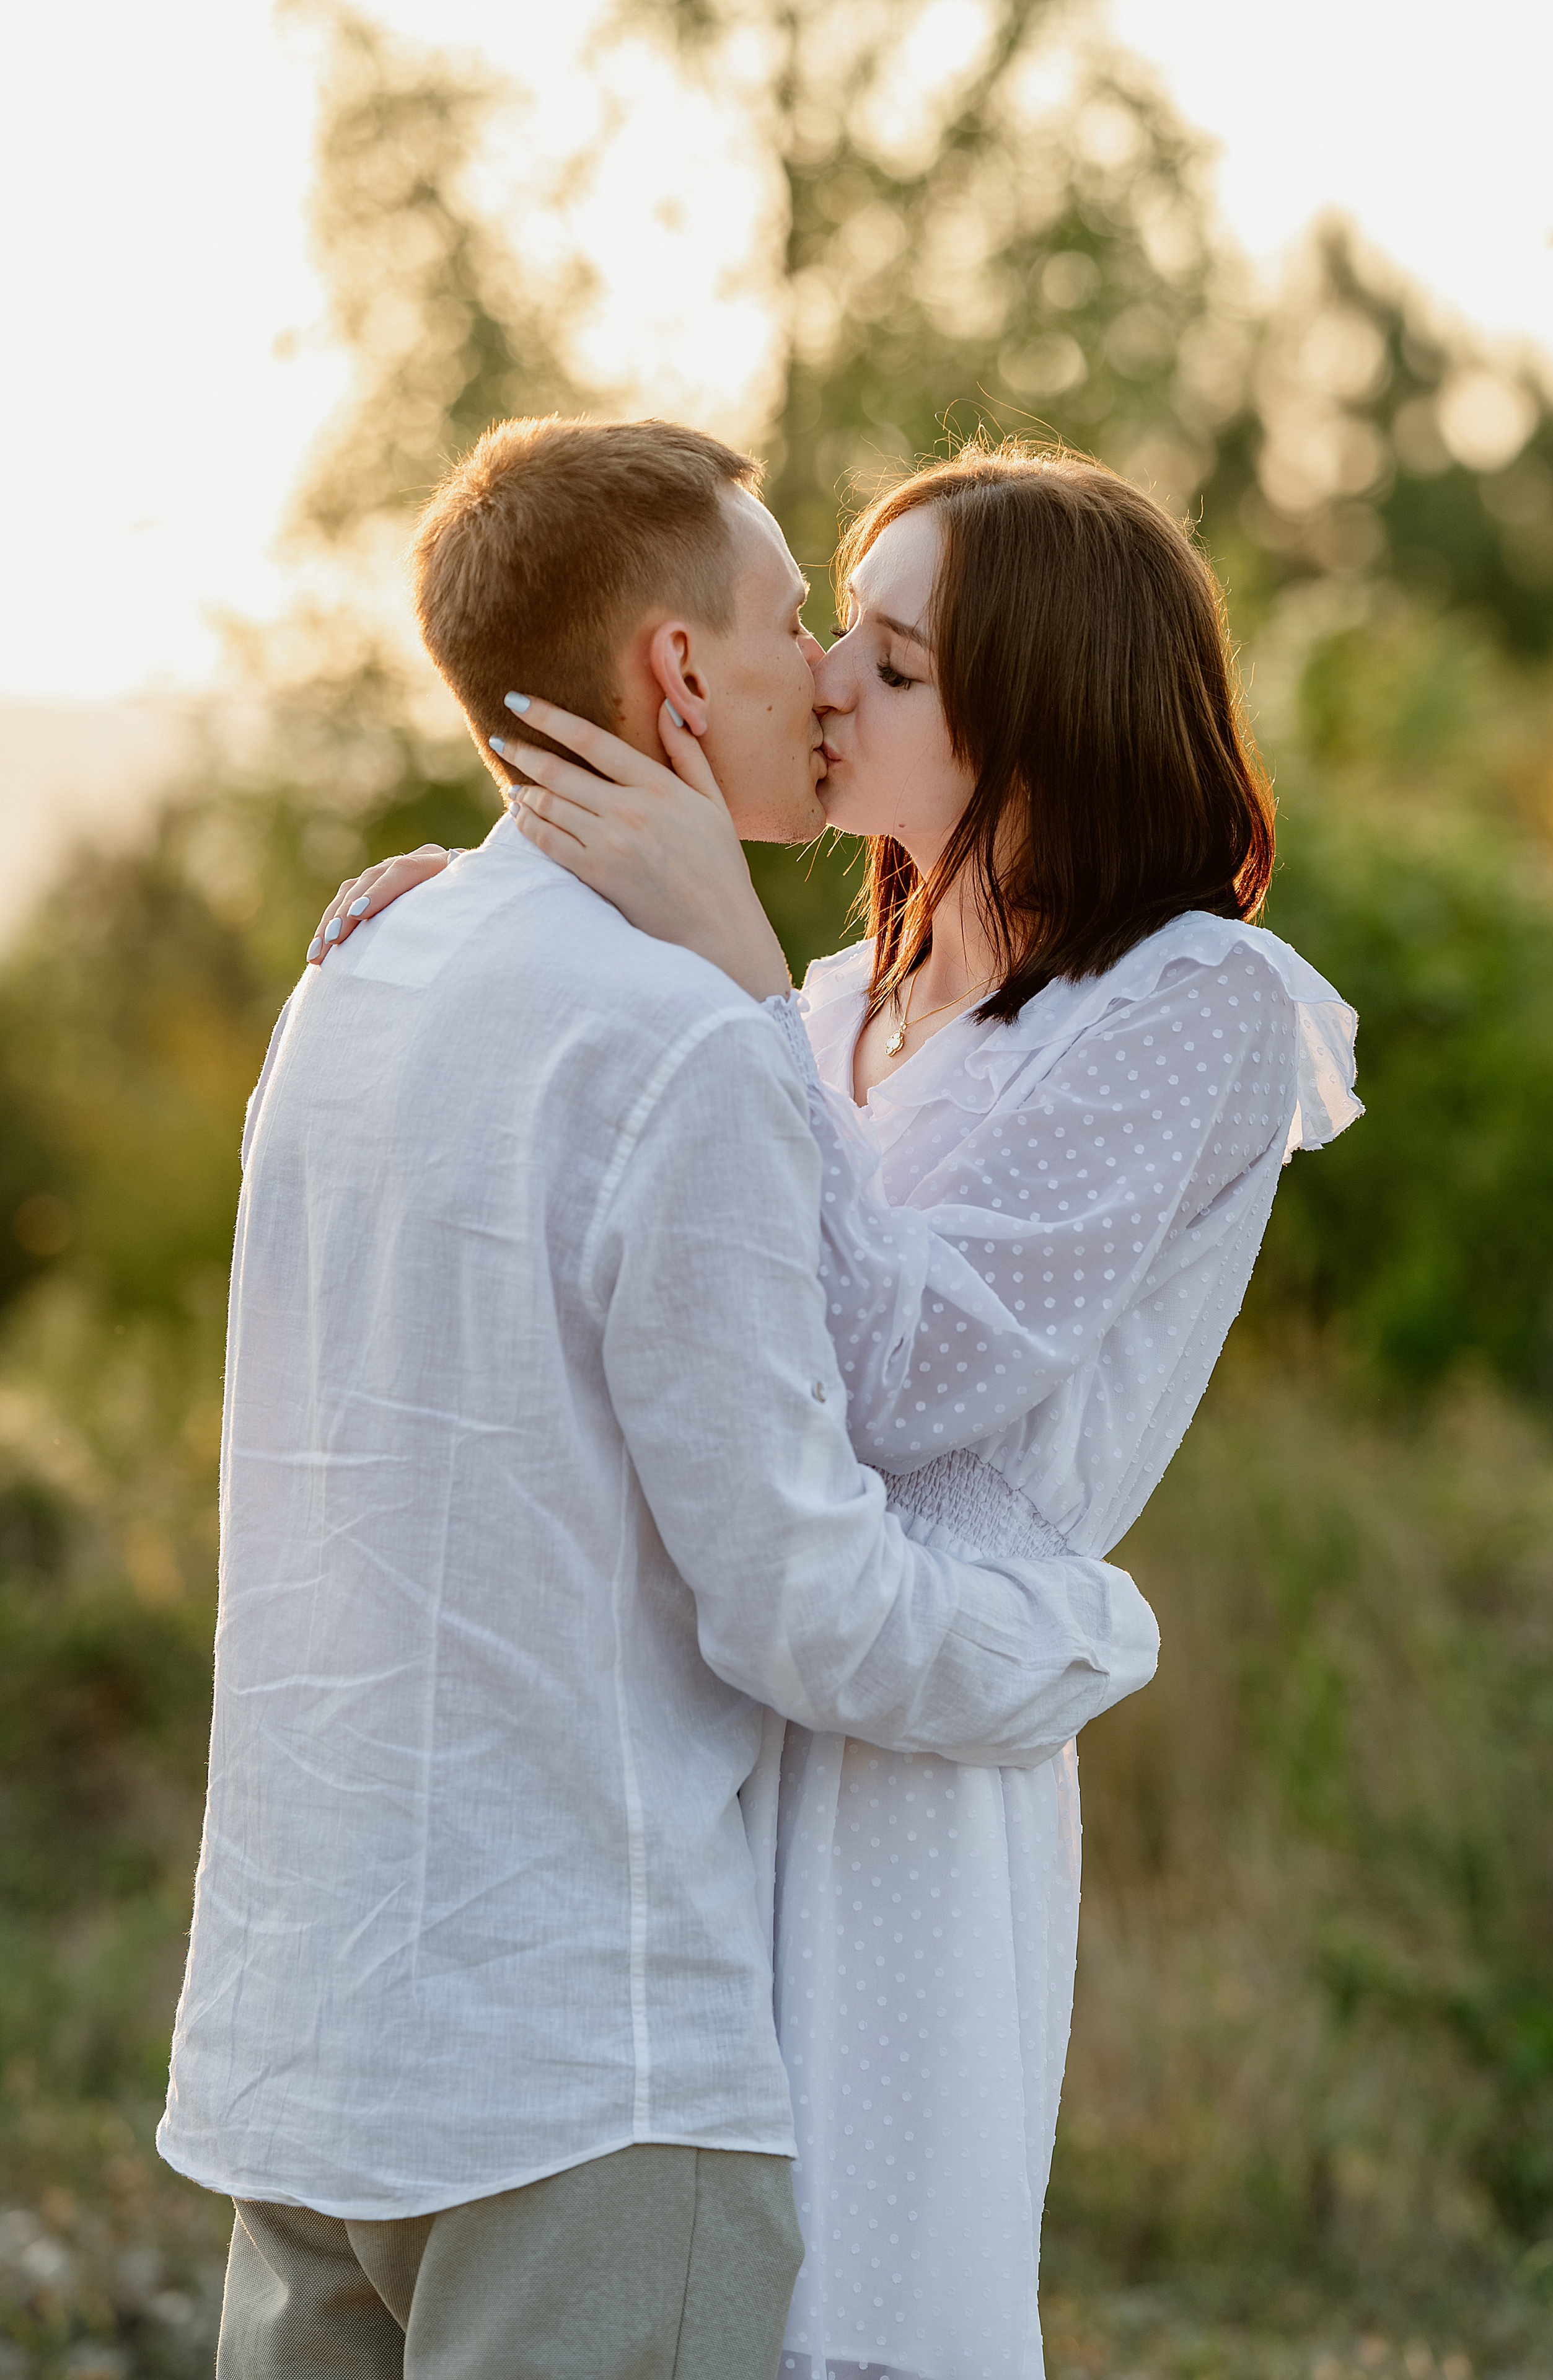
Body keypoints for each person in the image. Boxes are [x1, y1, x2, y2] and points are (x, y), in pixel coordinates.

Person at [322, 435, 1361, 2380]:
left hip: (913, 1730)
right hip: (724, 1699)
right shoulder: (821, 1004)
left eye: (889, 663)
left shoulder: (1199, 1005)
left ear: (1037, 711)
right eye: (833, 639)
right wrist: (496, 908)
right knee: (680, 2282)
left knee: (854, 2296)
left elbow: (902, 1387)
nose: (824, 684)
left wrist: (710, 968)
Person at [157, 418, 1161, 2380]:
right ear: (679, 674)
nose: (826, 678)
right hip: (579, 2080)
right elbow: (796, 1601)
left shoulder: (352, 980)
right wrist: (1080, 1632)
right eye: (796, 623)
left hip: (303, 2047)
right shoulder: (692, 1044)